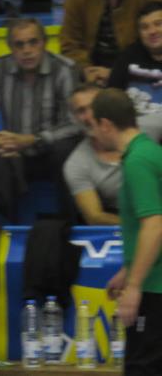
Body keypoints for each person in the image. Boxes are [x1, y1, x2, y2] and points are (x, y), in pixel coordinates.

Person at [0, 18, 81, 222]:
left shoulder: (64, 69)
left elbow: (74, 123)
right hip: (11, 151)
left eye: (33, 42)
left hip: (48, 152)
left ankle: (70, 226)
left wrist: (33, 140)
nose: (26, 50)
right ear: (10, 47)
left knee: (65, 149)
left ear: (44, 43)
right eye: (19, 45)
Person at [93, 89, 162, 375]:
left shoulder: (138, 162)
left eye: (94, 126)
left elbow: (154, 224)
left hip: (155, 289)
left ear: (106, 124)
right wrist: (128, 269)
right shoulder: (150, 152)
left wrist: (133, 286)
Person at [64, 83, 162, 225]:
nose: (90, 115)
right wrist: (142, 224)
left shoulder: (149, 127)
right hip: (124, 221)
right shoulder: (76, 163)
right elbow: (94, 217)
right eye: (81, 110)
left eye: (94, 106)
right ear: (74, 117)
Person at [109, 1, 162, 116]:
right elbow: (111, 100)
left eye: (158, 24)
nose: (152, 31)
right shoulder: (128, 57)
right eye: (145, 27)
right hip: (133, 125)